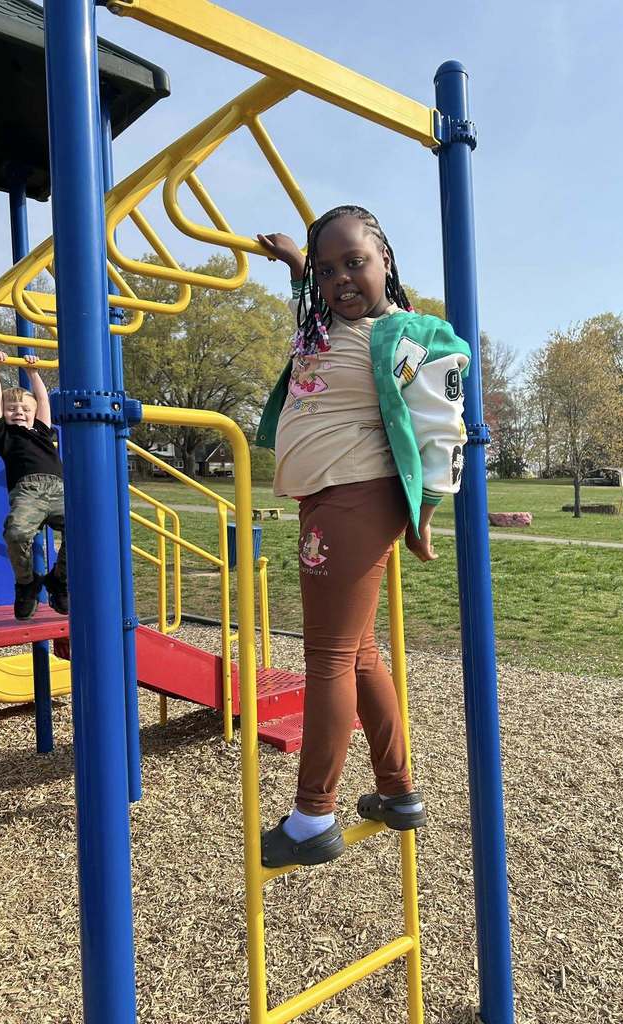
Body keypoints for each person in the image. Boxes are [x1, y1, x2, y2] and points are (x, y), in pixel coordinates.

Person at [255, 205, 471, 868]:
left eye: (356, 263)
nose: (342, 279)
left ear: (386, 264)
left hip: (353, 498)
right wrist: (297, 264)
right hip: (331, 500)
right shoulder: (323, 322)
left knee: (325, 657)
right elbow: (307, 312)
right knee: (359, 653)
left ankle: (312, 816)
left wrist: (427, 511)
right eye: (328, 270)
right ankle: (397, 790)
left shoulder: (400, 335)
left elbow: (444, 418)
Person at [0, 350, 68, 620]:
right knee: (17, 534)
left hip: (58, 489)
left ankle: (59, 579)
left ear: (34, 413)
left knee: (83, 530)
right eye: (12, 409)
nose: (18, 412)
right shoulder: (3, 435)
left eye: (24, 409)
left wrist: (34, 372)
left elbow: (42, 398)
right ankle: (26, 583)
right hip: (27, 492)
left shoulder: (43, 430)